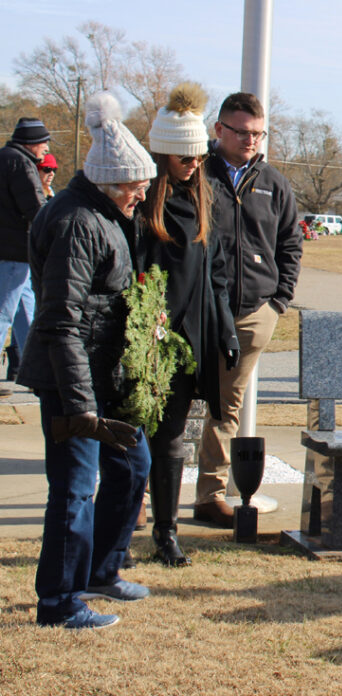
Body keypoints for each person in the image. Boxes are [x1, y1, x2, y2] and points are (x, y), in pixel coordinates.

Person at [17, 92, 155, 629]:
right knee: (75, 489)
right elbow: (58, 321)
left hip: (105, 375)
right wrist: (80, 407)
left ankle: (102, 569)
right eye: (135, 186)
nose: (141, 195)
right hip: (71, 381)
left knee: (133, 465)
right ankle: (59, 601)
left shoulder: (104, 213)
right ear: (110, 183)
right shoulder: (77, 223)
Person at [139, 83, 239, 564]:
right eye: (185, 159)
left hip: (189, 338)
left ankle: (166, 532)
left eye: (198, 158)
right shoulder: (142, 203)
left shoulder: (208, 198)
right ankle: (119, 527)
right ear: (164, 155)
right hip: (144, 339)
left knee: (172, 439)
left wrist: (225, 330)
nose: (194, 166)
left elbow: (217, 273)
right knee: (135, 437)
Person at [194, 92, 303, 528]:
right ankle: (145, 496)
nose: (251, 141)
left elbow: (291, 243)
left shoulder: (273, 183)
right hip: (197, 310)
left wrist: (277, 302)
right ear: (218, 130)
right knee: (172, 402)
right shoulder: (195, 175)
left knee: (225, 406)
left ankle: (210, 494)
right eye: (242, 132)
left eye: (258, 134)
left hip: (252, 313)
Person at [0, 117, 50, 397]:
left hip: (12, 252)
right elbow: (35, 207)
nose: (45, 148)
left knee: (26, 315)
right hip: (15, 251)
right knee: (4, 313)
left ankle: (36, 372)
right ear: (32, 143)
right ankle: (37, 373)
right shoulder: (21, 163)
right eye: (44, 142)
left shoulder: (5, 157)